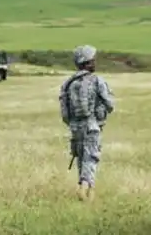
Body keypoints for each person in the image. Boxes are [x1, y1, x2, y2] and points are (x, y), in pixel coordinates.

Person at [59, 44, 115, 201]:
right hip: (91, 125)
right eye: (93, 60)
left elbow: (64, 113)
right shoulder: (97, 81)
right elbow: (110, 105)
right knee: (91, 158)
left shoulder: (68, 84)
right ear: (87, 63)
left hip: (74, 127)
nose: (95, 63)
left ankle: (89, 195)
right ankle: (83, 187)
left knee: (82, 158)